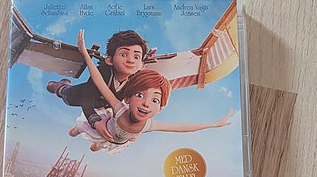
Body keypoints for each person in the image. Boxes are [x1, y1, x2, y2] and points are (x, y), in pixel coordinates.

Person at [69, 30, 233, 153]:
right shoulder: (119, 108)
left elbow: (182, 127)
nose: (146, 104)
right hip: (107, 120)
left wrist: (213, 124)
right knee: (83, 128)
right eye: (140, 96)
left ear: (160, 108)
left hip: (118, 139)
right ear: (128, 98)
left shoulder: (149, 124)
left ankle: (99, 143)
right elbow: (99, 82)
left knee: (100, 145)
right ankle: (79, 129)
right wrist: (85, 53)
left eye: (155, 100)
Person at [46, 29, 148, 142]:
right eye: (123, 54)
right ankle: (61, 85)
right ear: (110, 60)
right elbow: (86, 100)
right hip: (80, 96)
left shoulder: (133, 82)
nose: (130, 60)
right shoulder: (103, 72)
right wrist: (96, 122)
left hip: (103, 106)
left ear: (142, 65)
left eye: (136, 57)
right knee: (64, 92)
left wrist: (131, 129)